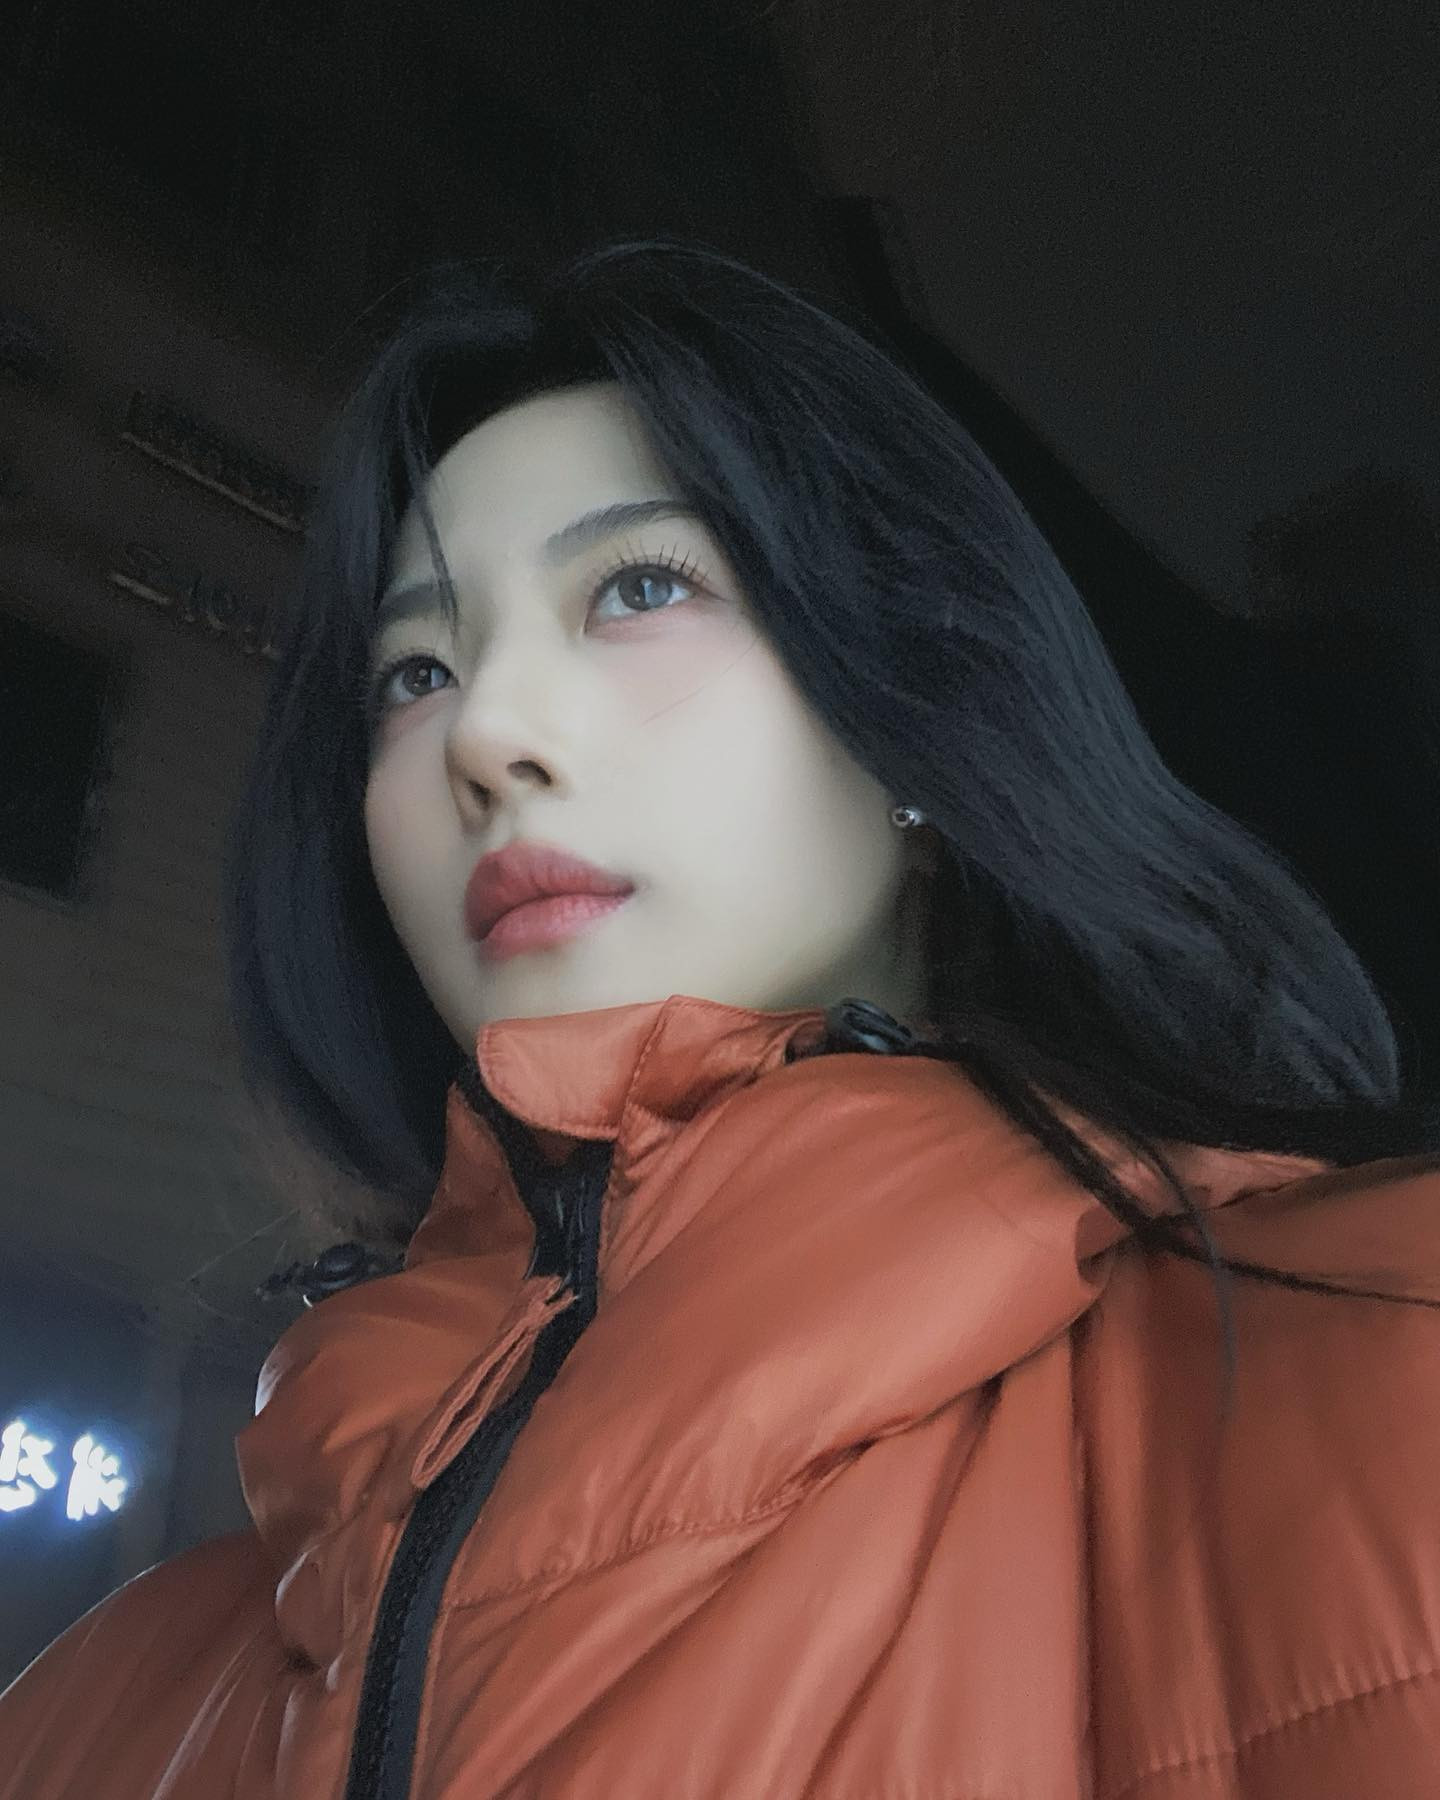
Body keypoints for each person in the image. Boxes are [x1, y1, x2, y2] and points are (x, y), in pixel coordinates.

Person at [3, 239, 1437, 1798]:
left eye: (640, 587)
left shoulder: (1377, 1402)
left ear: (907, 708)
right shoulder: (91, 1710)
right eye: (414, 670)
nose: (485, 730)